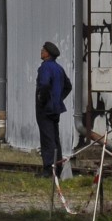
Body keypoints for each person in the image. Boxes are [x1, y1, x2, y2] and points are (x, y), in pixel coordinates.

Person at [35, 41, 72, 178]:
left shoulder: (45, 67)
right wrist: (59, 98)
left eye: (42, 49)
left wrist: (42, 99)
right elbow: (68, 86)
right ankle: (58, 166)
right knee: (55, 138)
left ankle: (49, 169)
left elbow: (44, 84)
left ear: (47, 53)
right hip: (56, 108)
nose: (41, 51)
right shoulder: (59, 68)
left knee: (47, 138)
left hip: (45, 109)